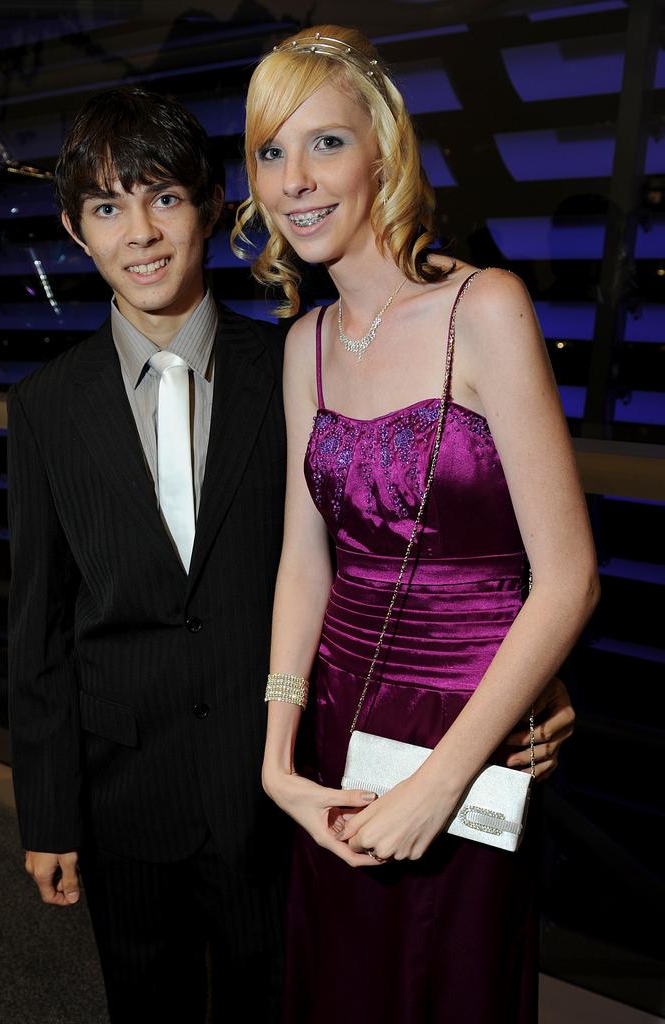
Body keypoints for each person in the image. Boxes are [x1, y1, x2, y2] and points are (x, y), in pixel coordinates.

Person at [233, 25, 599, 1023]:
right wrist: (275, 757)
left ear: (385, 151)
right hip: (336, 717)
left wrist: (445, 781)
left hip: (462, 723)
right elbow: (305, 563)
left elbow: (568, 577)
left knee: (448, 986)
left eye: (326, 143)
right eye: (271, 151)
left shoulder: (485, 307)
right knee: (338, 983)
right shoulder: (303, 342)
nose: (296, 179)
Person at [6, 87, 290, 1023]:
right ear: (75, 230)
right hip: (125, 791)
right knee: (146, 1006)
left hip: (270, 783)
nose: (140, 232)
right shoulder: (47, 407)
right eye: (107, 206)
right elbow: (40, 626)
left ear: (210, 205)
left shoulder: (292, 369)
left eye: (163, 197)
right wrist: (48, 814)